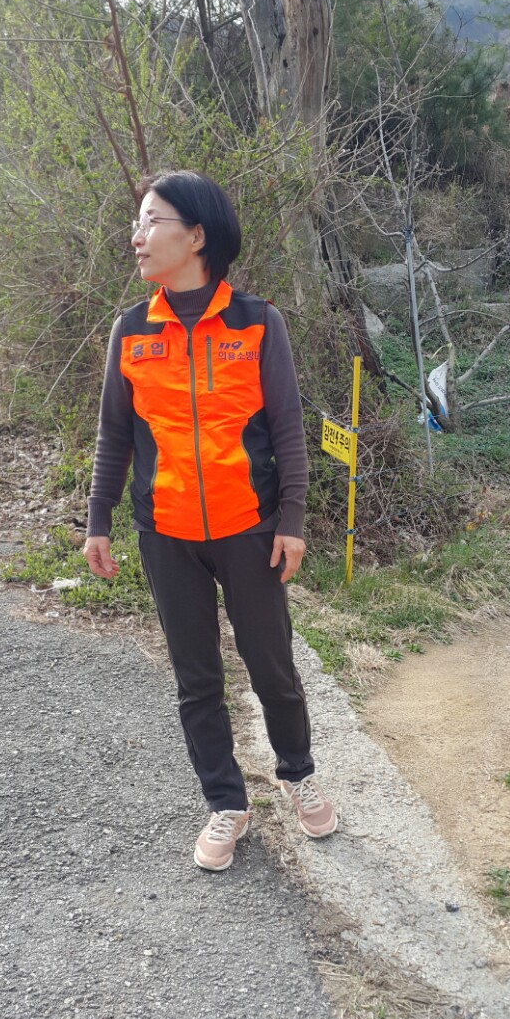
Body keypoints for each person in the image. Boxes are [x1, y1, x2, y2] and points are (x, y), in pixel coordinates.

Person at [84, 170, 338, 871]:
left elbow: (287, 429)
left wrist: (292, 520)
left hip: (248, 530)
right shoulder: (131, 331)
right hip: (166, 534)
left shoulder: (257, 323)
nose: (137, 236)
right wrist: (98, 519)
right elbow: (114, 434)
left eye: (151, 221)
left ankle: (297, 773)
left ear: (196, 236)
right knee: (196, 680)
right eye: (137, 222)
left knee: (272, 667)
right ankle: (226, 802)